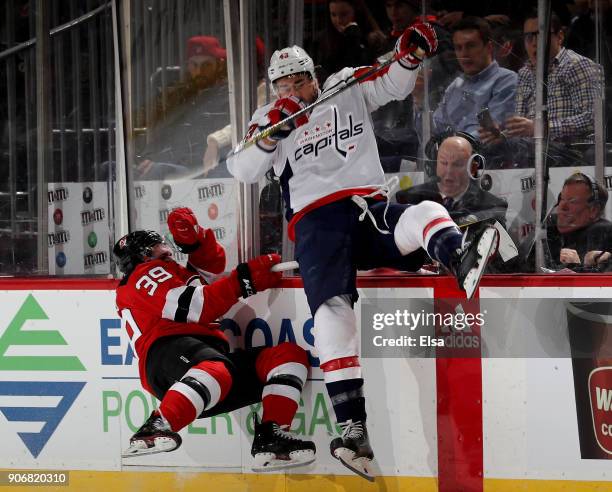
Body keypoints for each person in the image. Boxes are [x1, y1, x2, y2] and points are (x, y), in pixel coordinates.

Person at [227, 27, 499, 480]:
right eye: (284, 85)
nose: (293, 90)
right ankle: (353, 432)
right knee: (332, 315)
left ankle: (459, 256)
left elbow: (391, 82)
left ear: (314, 75)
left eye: (299, 81)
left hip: (366, 207)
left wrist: (410, 56)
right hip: (316, 225)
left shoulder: (344, 86)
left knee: (424, 210)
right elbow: (242, 167)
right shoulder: (268, 117)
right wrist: (276, 130)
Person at [113, 207, 316, 470]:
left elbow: (210, 268)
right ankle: (156, 426)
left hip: (204, 372)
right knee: (216, 369)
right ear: (144, 254)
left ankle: (271, 437)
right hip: (167, 353)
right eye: (159, 244)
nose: (167, 246)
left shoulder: (174, 274)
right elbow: (199, 305)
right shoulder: (144, 274)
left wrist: (197, 239)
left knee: (287, 356)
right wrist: (244, 280)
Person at [479, 11, 603, 148]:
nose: (533, 43)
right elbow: (524, 129)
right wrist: (501, 136)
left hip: (574, 156)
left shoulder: (579, 66)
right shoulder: (525, 73)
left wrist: (542, 128)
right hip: (533, 155)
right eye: (528, 37)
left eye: (540, 36)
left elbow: (594, 118)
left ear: (560, 37)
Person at [419, 16, 517, 140]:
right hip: (449, 155)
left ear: (489, 47)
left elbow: (490, 135)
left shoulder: (506, 81)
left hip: (483, 158)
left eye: (471, 46)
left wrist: (450, 145)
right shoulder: (455, 85)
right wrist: (419, 101)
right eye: (458, 48)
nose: (464, 54)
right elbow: (432, 132)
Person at [395, 135, 508, 224]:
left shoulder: (492, 207)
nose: (448, 171)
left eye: (457, 164)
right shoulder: (408, 200)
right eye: (443, 163)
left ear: (473, 167)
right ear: (434, 165)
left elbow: (502, 251)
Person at [544, 173, 612, 271]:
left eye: (572, 201)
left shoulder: (605, 233)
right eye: (562, 199)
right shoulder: (549, 231)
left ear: (593, 210)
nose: (562, 207)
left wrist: (580, 265)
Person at [316, 0, 387, 83]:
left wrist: (354, 40)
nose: (338, 20)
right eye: (333, 15)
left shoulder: (373, 38)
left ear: (356, 12)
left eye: (344, 14)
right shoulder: (325, 39)